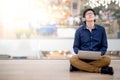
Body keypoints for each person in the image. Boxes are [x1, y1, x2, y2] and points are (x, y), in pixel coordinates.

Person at [69, 8, 114, 75]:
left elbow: (104, 46)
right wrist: (79, 53)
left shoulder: (101, 30)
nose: (90, 14)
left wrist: (100, 54)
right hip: (82, 58)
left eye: (91, 13)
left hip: (97, 57)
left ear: (94, 17)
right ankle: (99, 70)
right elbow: (75, 47)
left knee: (108, 59)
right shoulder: (79, 31)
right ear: (84, 18)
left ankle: (78, 67)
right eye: (88, 14)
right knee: (72, 59)